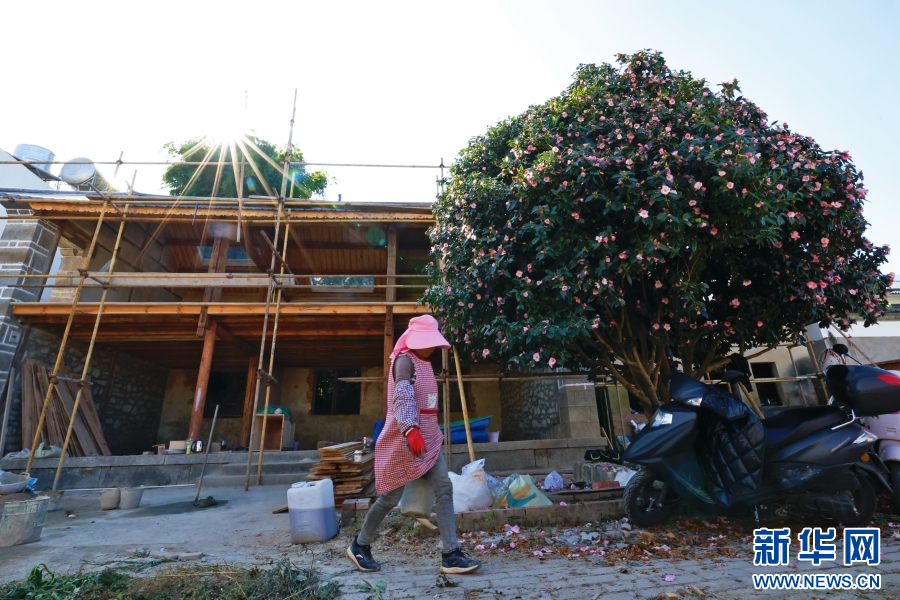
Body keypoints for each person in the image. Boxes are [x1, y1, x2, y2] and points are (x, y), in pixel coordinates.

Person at [347, 314, 481, 574]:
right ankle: (360, 545)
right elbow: (403, 395)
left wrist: (422, 433)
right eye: (426, 341)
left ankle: (451, 554)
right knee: (389, 498)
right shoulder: (404, 361)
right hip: (404, 441)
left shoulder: (425, 363)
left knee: (444, 489)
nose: (431, 346)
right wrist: (410, 428)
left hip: (428, 440)